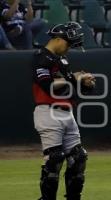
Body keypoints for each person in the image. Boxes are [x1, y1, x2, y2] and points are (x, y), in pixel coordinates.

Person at [32, 21, 95, 200]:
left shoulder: (61, 60)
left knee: (78, 157)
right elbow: (47, 85)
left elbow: (68, 86)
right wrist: (73, 78)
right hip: (48, 112)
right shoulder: (41, 57)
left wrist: (84, 83)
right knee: (54, 159)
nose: (68, 49)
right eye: (68, 44)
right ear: (58, 39)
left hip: (67, 112)